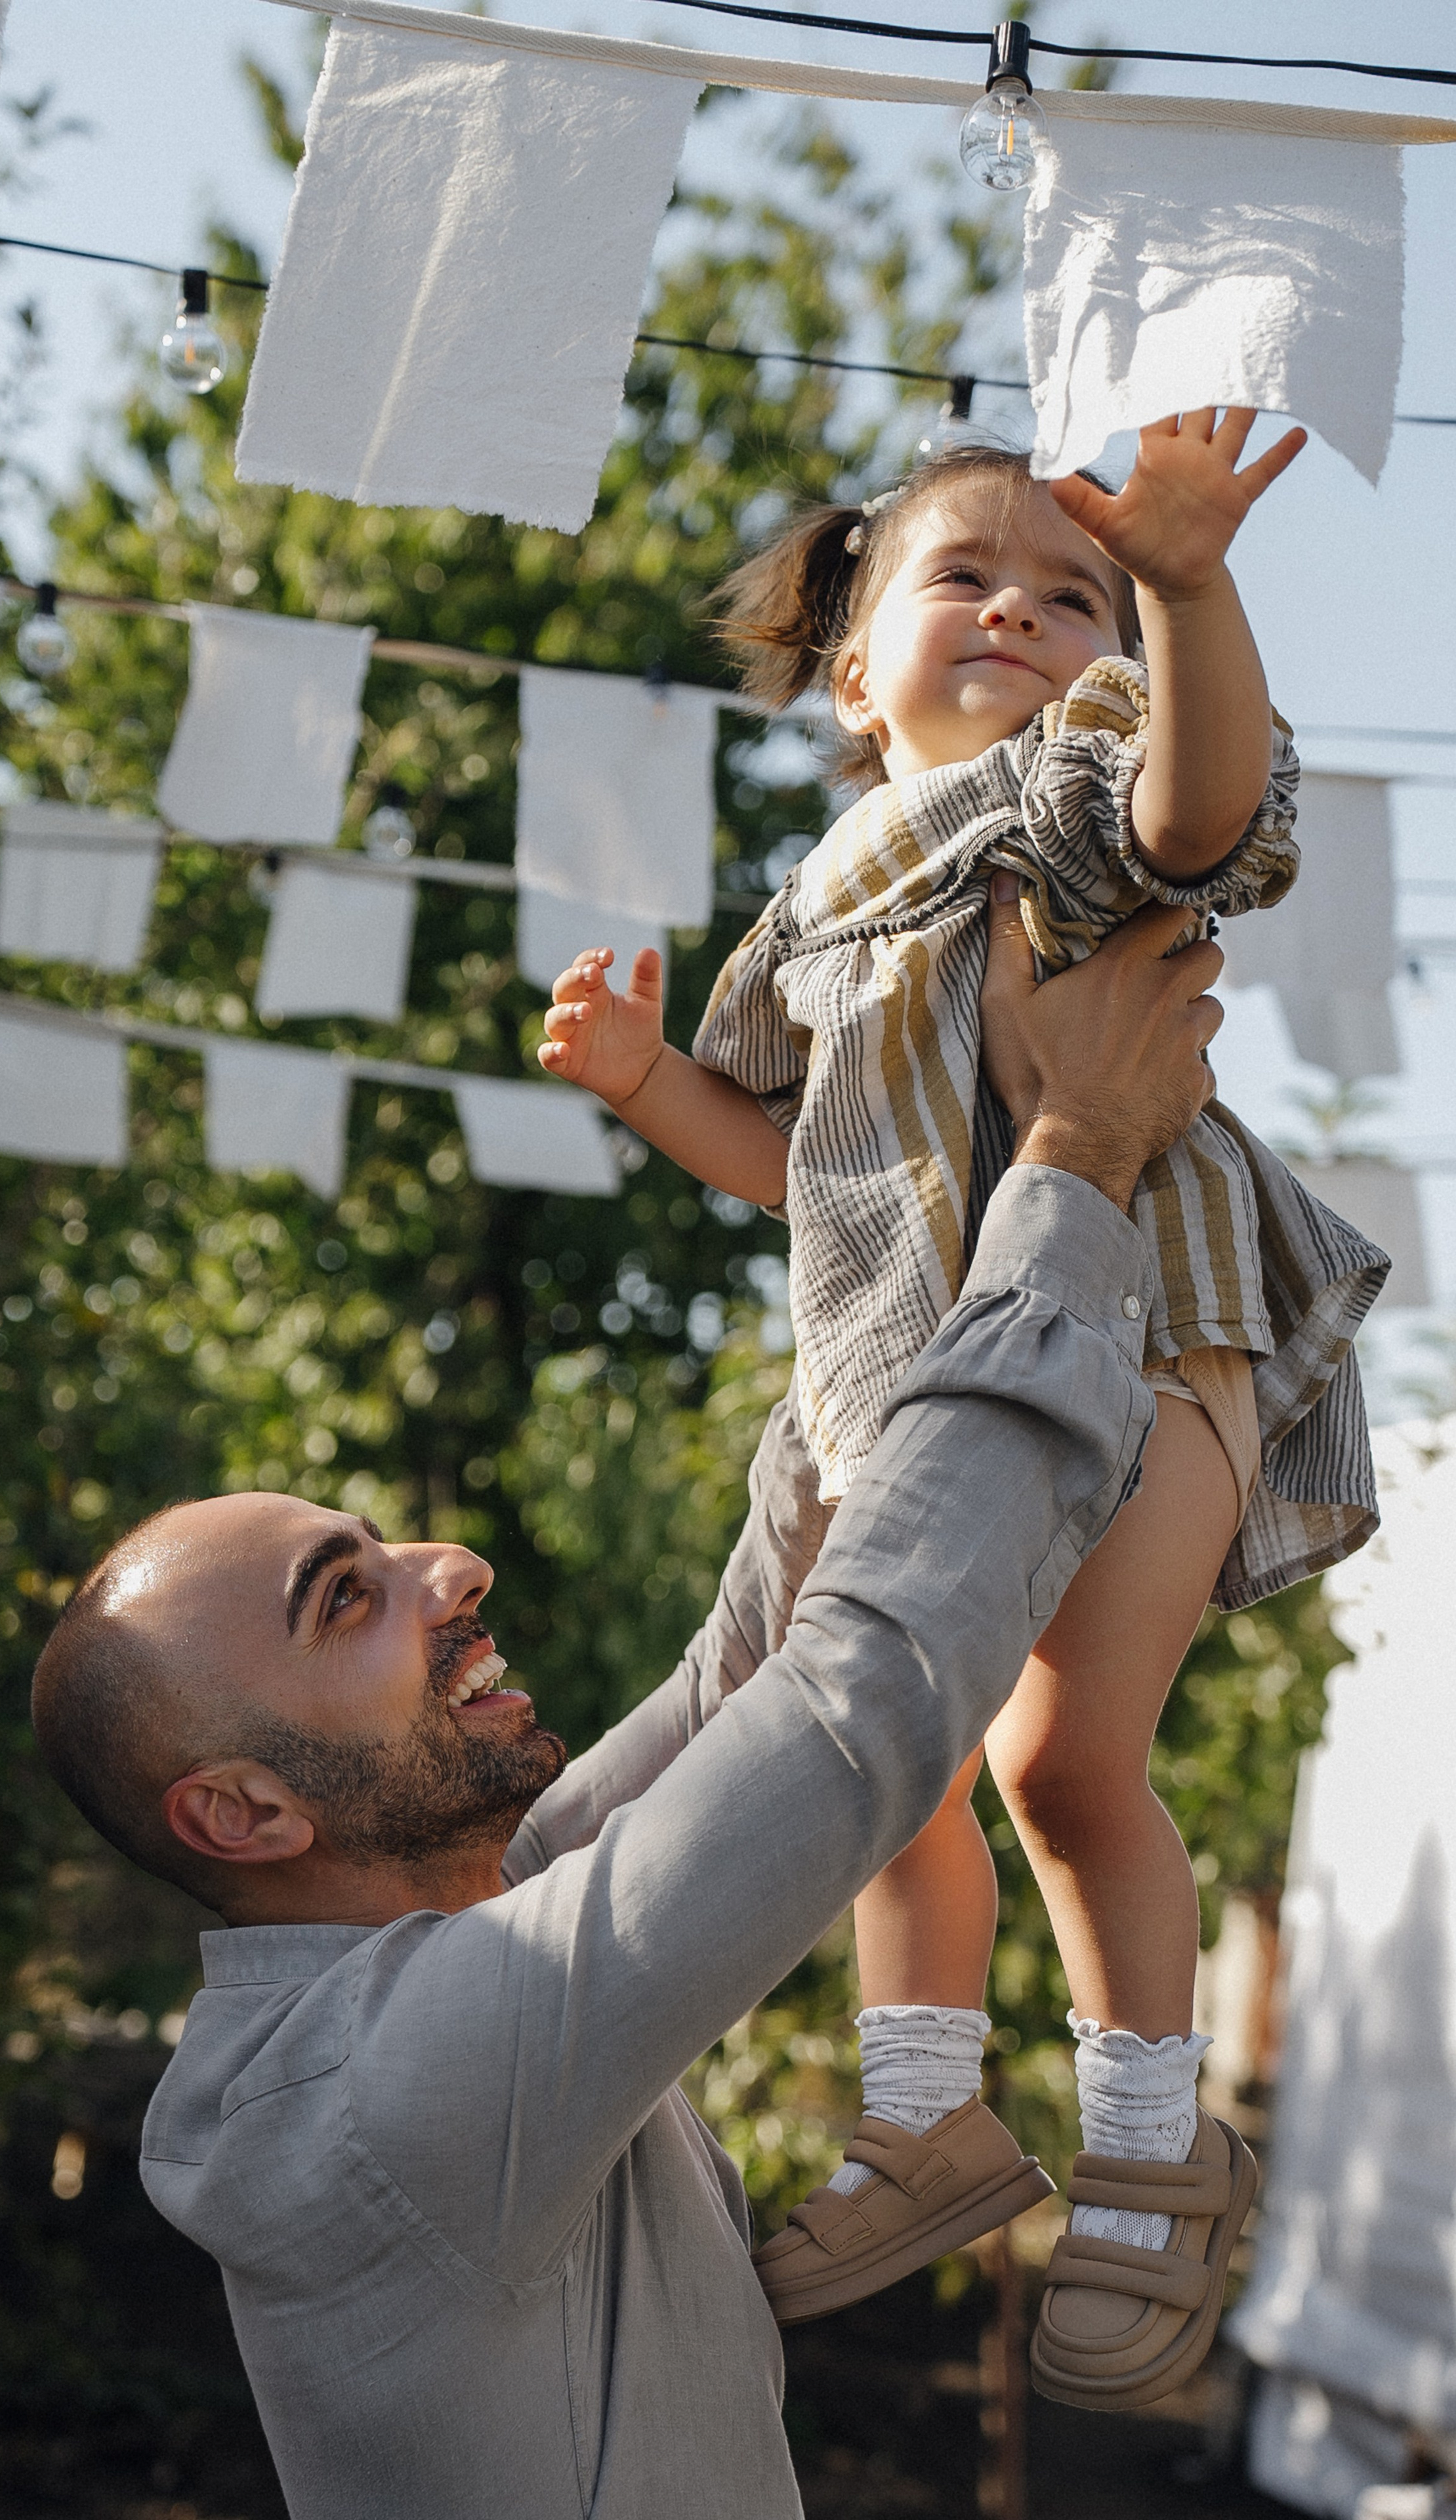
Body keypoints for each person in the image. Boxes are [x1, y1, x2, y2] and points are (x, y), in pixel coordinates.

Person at [32, 891, 1228, 2514]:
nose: (449, 1569)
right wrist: (1073, 1166)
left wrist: (882, 1287)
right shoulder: (379, 2099)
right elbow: (847, 1706)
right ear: (246, 1813)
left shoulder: (454, 1927)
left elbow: (740, 1667)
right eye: (348, 1597)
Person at [538, 413, 1387, 2403]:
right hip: (912, 1379)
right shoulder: (830, 897)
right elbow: (812, 1163)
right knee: (885, 1760)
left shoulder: (1059, 796)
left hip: (1151, 1329)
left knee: (1062, 1759)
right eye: (966, 576)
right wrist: (658, 1086)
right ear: (854, 674)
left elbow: (1205, 814)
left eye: (1066, 586)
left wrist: (1181, 587)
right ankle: (923, 2118)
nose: (1020, 603)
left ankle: (1157, 2157)